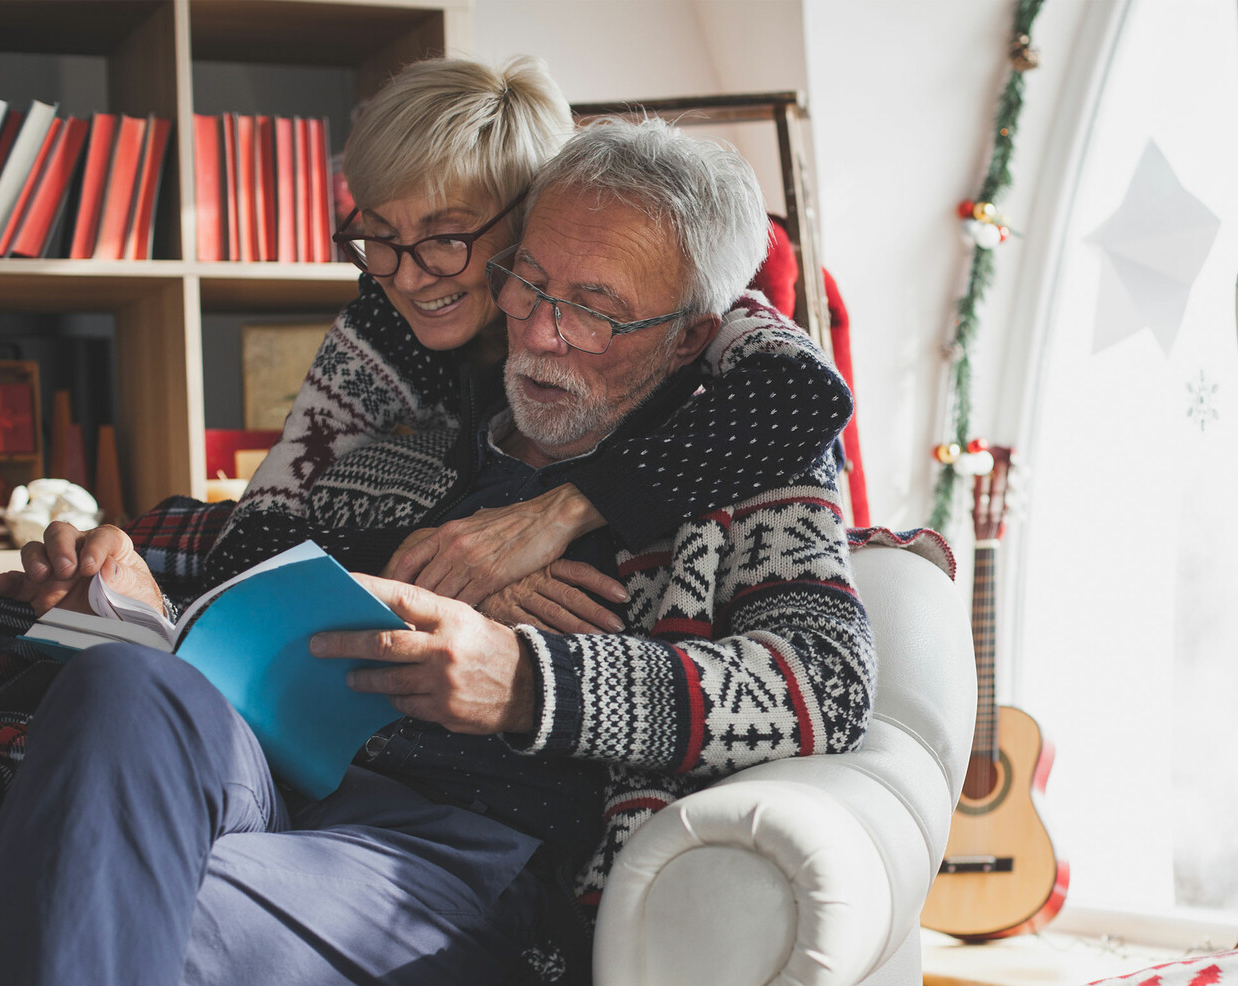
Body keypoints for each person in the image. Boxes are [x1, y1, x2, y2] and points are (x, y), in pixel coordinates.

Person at [0, 116, 873, 986]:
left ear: (691, 331)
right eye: (529, 282)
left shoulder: (746, 474)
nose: (538, 332)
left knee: (30, 891)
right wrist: (109, 580)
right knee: (122, 683)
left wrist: (523, 683)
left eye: (593, 309)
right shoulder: (408, 429)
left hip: (442, 862)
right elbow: (243, 552)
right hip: (265, 777)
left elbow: (825, 683)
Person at [202, 54, 853, 618]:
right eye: (380, 235)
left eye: (446, 237)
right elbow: (247, 544)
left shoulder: (689, 304)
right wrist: (454, 574)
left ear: (530, 212)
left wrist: (563, 513)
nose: (406, 276)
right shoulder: (383, 322)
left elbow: (811, 393)